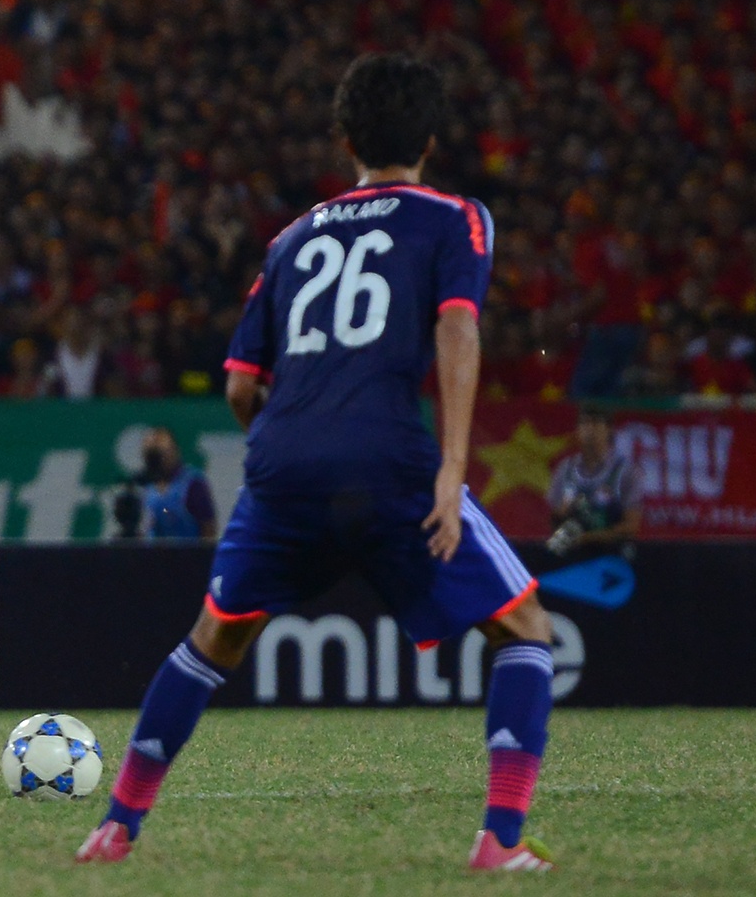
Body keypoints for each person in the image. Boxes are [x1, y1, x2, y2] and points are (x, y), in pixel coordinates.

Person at [76, 54, 556, 873]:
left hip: (283, 464)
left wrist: (296, 443)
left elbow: (239, 385)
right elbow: (457, 327)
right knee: (524, 629)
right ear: (430, 141)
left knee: (211, 641)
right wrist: (450, 467)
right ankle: (499, 842)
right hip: (389, 460)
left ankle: (116, 828)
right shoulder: (456, 219)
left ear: (345, 143)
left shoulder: (291, 239)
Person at [546, 406, 641, 557]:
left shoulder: (625, 472)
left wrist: (588, 537)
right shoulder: (565, 469)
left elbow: (631, 526)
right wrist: (563, 514)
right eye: (584, 423)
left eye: (596, 423)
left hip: (611, 556)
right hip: (573, 555)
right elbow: (553, 515)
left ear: (609, 430)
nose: (590, 429)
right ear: (577, 430)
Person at [128, 429, 217, 541]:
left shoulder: (192, 483)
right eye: (152, 455)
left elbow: (208, 528)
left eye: (161, 453)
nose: (158, 460)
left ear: (174, 451)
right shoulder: (144, 486)